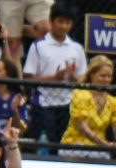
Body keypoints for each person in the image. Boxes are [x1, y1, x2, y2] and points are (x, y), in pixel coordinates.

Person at [22, 3, 87, 147]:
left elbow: (83, 78)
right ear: (51, 21)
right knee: (44, 142)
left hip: (67, 103)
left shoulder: (77, 48)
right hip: (42, 102)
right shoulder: (38, 46)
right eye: (60, 21)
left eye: (68, 22)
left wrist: (72, 78)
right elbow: (28, 77)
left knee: (60, 143)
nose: (64, 26)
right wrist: (53, 78)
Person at [60, 55, 116, 159]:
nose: (106, 80)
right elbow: (83, 128)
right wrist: (105, 145)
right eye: (102, 76)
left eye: (109, 76)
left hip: (100, 148)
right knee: (99, 155)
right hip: (75, 144)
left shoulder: (113, 101)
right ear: (92, 75)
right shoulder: (80, 94)